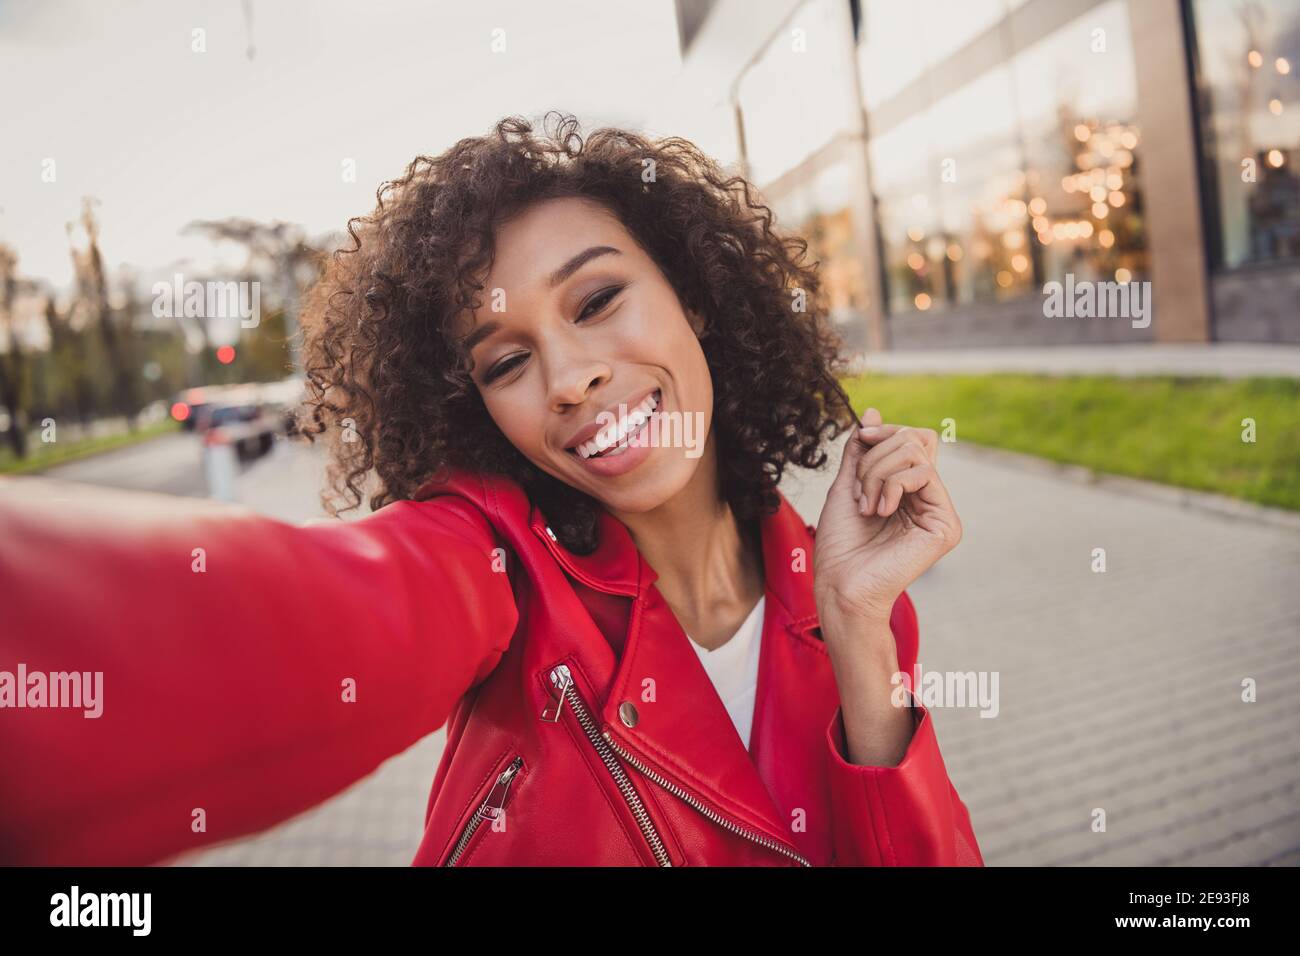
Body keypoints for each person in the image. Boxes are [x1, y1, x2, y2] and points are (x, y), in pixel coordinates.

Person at [0, 113, 982, 867]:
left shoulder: (845, 599)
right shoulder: (491, 569)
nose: (565, 377)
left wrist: (857, 620)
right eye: (507, 360)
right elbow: (264, 621)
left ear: (695, 295)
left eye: (596, 300)